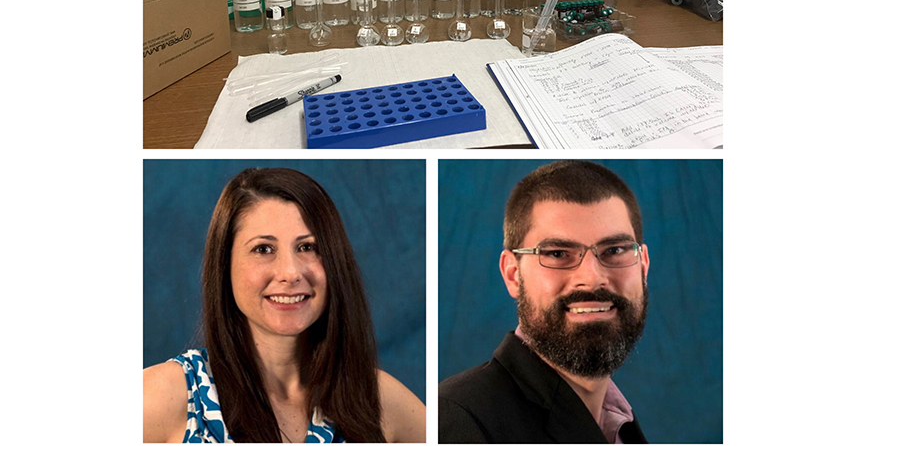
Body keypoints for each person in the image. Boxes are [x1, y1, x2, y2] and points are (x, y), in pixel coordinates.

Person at [143, 168, 425, 443]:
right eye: (263, 249)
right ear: (225, 265)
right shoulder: (167, 395)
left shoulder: (378, 400)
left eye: (308, 247)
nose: (290, 272)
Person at [439, 161, 650, 443]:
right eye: (557, 253)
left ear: (643, 266)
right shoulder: (459, 422)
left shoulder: (622, 426)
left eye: (614, 250)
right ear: (513, 275)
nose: (591, 278)